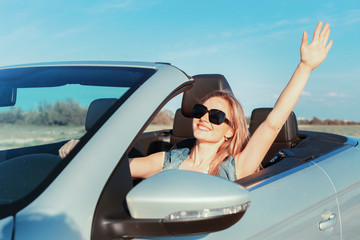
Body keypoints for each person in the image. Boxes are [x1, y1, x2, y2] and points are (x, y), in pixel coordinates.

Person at [59, 22, 333, 181]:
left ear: (230, 131)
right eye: (202, 110)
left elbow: (273, 124)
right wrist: (83, 152)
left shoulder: (235, 167)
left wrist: (305, 67)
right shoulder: (169, 161)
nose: (204, 117)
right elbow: (119, 169)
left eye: (216, 116)